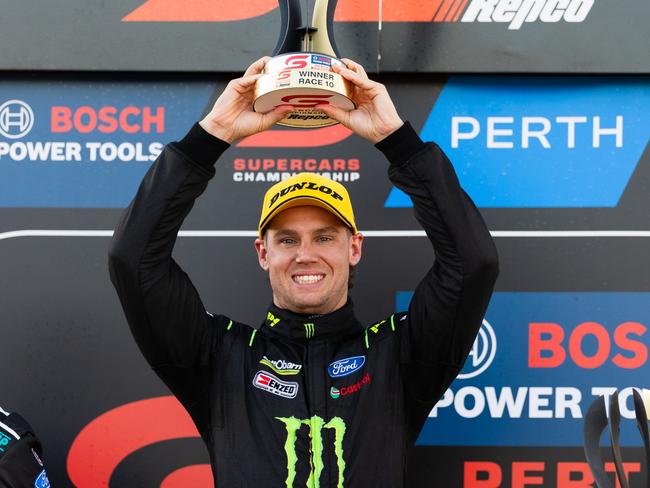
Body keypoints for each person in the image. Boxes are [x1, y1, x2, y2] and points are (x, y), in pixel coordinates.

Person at [108, 57, 498, 487]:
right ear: (263, 252)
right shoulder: (220, 357)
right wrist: (211, 135)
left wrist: (397, 141)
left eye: (325, 237)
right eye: (287, 240)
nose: (305, 255)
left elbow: (472, 262)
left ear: (355, 247)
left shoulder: (399, 355)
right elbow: (134, 258)